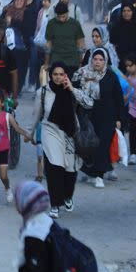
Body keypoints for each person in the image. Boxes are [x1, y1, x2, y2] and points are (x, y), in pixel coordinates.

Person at [36, 62, 92, 217]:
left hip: (70, 133)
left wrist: (72, 89)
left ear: (66, 75)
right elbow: (37, 114)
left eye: (62, 74)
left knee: (70, 169)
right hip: (50, 130)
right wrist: (29, 133)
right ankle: (55, 204)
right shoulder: (43, 91)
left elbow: (89, 103)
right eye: (55, 74)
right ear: (50, 75)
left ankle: (67, 195)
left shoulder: (73, 90)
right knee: (54, 167)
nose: (58, 77)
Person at [74, 48, 124, 188]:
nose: (97, 62)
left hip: (107, 116)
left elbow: (118, 98)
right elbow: (73, 91)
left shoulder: (110, 76)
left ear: (105, 61)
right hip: (88, 115)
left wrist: (119, 118)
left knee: (102, 145)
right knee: (89, 144)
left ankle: (99, 175)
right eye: (95, 59)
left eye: (101, 59)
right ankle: (90, 171)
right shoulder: (82, 73)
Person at [0, 91, 32, 210]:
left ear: (2, 103)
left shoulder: (7, 116)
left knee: (3, 176)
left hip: (3, 150)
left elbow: (16, 128)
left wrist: (26, 134)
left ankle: (7, 188)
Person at [45, 2, 85, 76]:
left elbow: (80, 44)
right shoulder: (51, 24)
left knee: (71, 85)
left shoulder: (75, 24)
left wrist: (80, 62)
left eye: (63, 16)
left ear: (67, 13)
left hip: (72, 61)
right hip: (56, 60)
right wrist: (47, 63)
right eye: (59, 16)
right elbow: (48, 45)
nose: (61, 19)